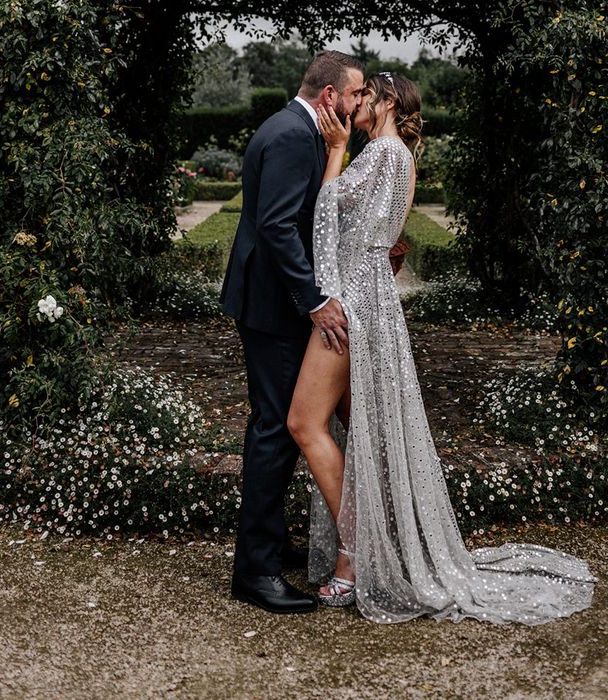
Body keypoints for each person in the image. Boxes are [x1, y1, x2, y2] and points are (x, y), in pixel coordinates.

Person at [287, 72, 598, 624]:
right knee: (362, 434)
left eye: (363, 97)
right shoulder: (398, 155)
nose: (354, 104)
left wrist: (335, 151)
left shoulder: (382, 153)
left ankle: (357, 551)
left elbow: (326, 215)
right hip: (371, 298)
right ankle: (359, 554)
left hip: (353, 303)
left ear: (383, 104)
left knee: (304, 424)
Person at [220, 51, 365, 614]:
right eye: (354, 95)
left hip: (274, 304)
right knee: (276, 429)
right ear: (330, 95)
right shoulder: (287, 136)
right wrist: (316, 301)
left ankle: (268, 551)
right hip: (273, 307)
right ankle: (255, 572)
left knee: (277, 424)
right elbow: (279, 225)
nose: (358, 104)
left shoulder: (300, 131)